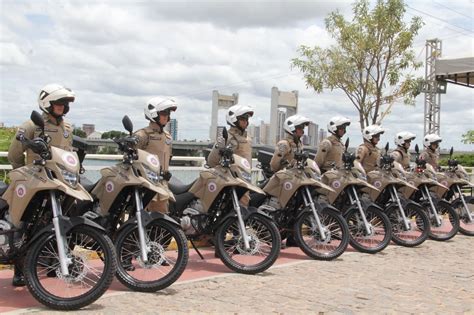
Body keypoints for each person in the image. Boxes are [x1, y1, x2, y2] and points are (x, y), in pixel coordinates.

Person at [7, 83, 75, 287]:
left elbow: (68, 154)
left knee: (54, 224)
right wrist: (23, 174)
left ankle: (53, 264)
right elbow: (14, 154)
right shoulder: (31, 125)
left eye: (64, 103)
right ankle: (19, 270)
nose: (62, 106)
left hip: (58, 184)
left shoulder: (68, 128)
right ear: (47, 103)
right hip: (34, 184)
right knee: (25, 225)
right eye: (58, 103)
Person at [134, 97, 177, 213]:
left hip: (163, 184)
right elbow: (130, 156)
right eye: (163, 113)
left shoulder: (167, 137)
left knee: (163, 218)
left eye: (168, 113)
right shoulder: (143, 135)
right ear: (154, 114)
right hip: (148, 184)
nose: (166, 116)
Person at [207, 104, 254, 205]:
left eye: (247, 118)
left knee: (245, 208)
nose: (245, 121)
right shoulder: (226, 137)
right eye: (242, 118)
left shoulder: (248, 139)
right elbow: (212, 160)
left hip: (245, 180)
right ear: (234, 119)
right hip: (231, 181)